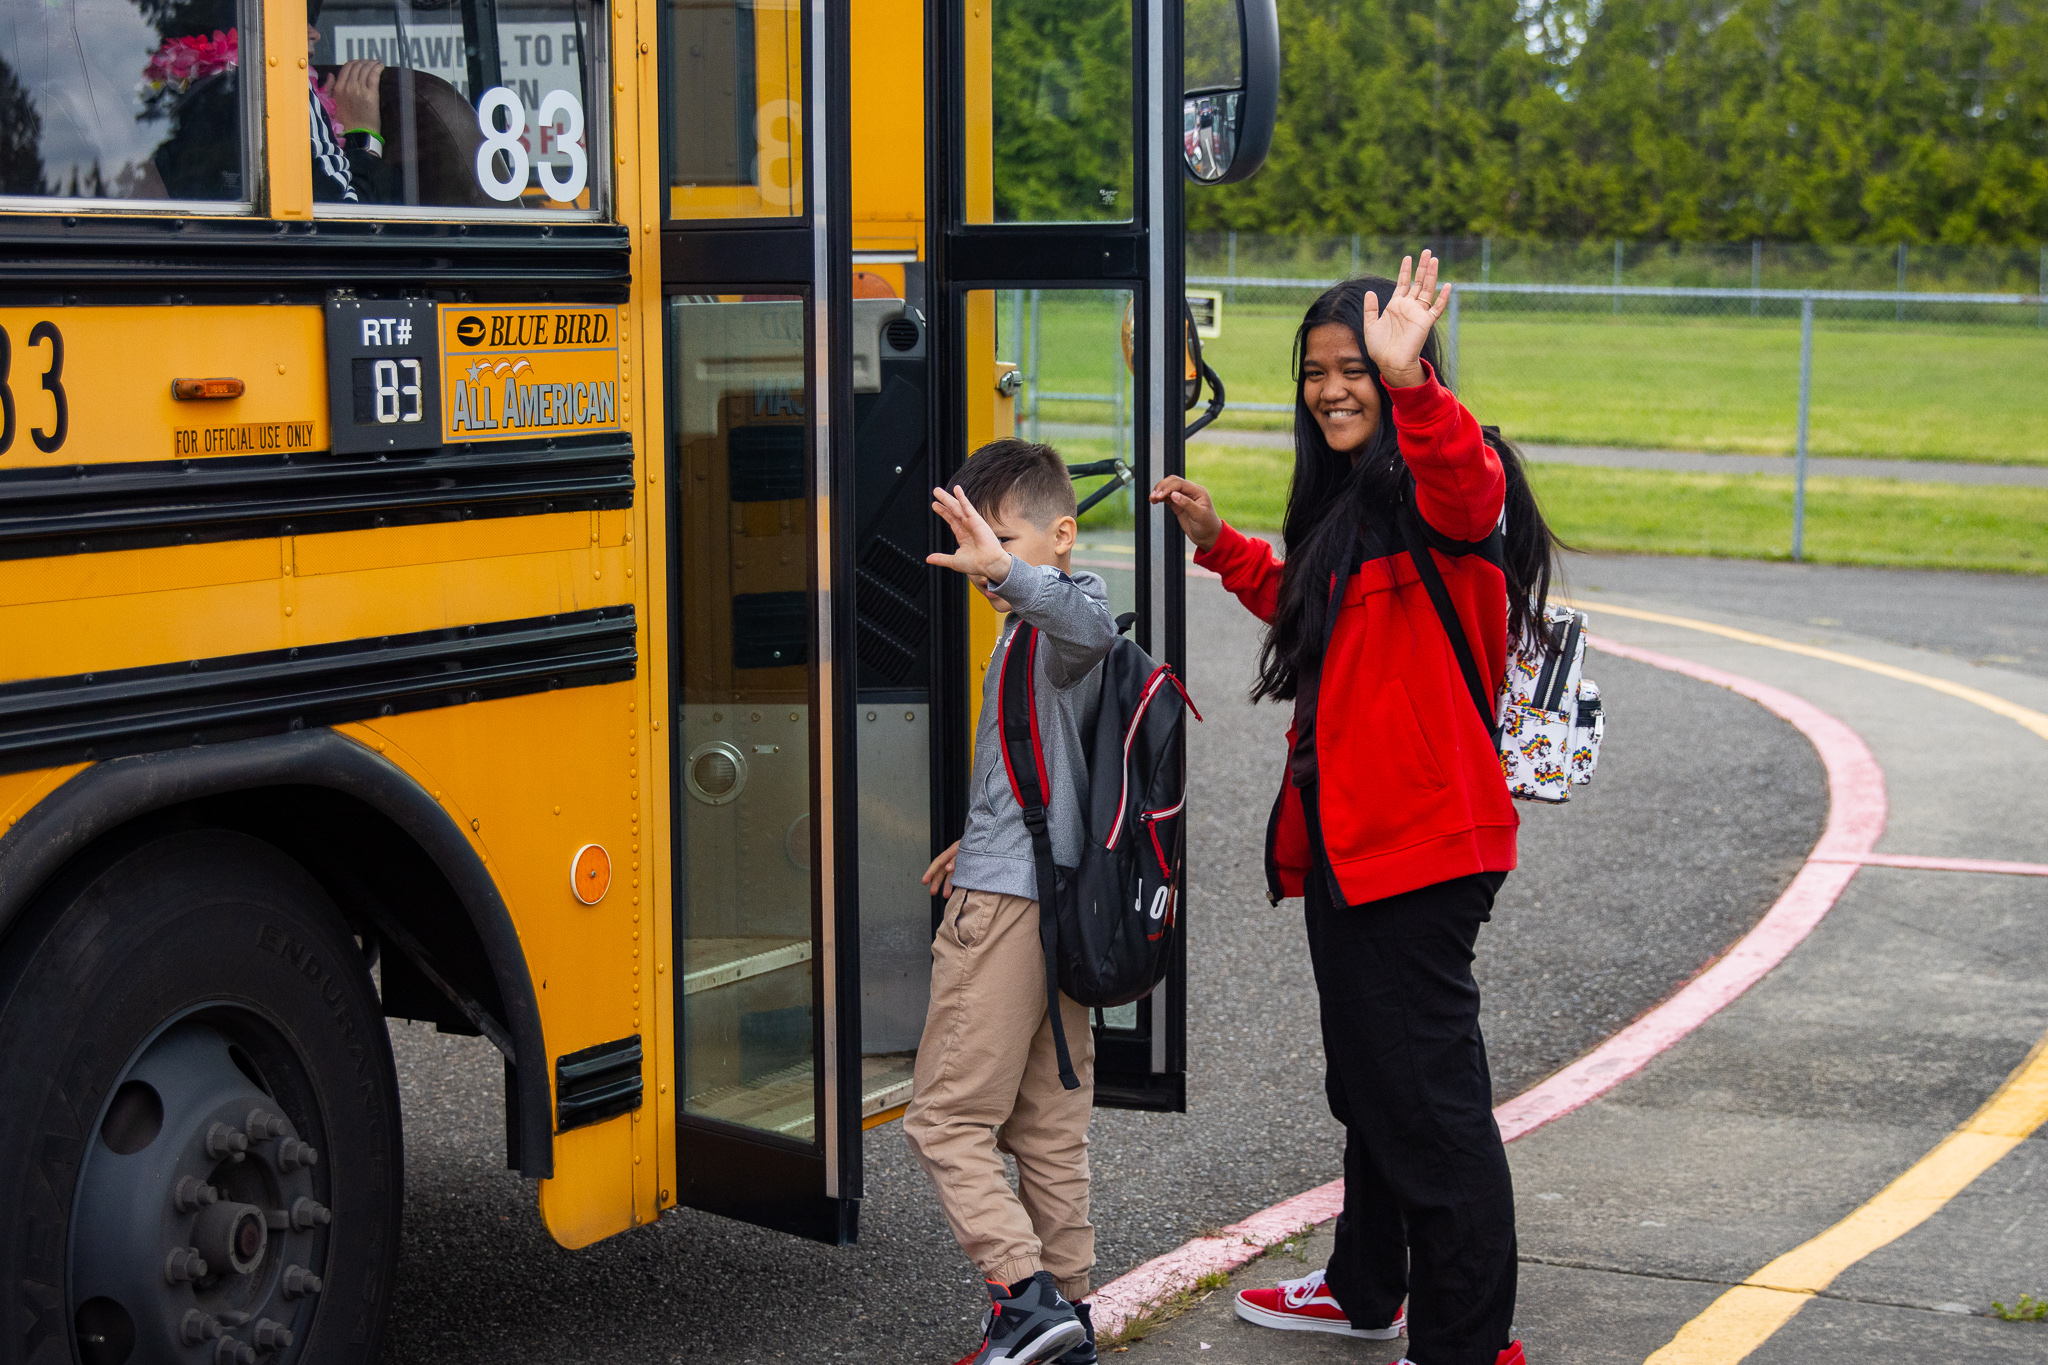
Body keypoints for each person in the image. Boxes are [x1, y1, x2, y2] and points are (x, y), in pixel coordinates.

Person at [1150, 251, 1561, 1365]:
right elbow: (1310, 610)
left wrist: (1413, 382)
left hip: (1418, 849)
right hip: (1349, 845)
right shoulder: (1350, 506)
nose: (1333, 388)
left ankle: (1469, 1345)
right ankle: (1363, 1285)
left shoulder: (1442, 491)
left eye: (1355, 372)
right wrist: (1218, 546)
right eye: (1317, 371)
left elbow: (1466, 483)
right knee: (1374, 1084)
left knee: (1430, 1113)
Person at [906, 440, 1118, 1365]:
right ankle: (1071, 1318)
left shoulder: (1065, 616)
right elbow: (1044, 769)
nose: (984, 560)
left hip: (1008, 913)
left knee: (945, 1118)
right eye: (974, 543)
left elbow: (1090, 631)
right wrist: (981, 828)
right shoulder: (1029, 629)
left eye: (1002, 539)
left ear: (1061, 536)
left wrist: (1011, 575)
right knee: (1046, 1127)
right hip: (1051, 897)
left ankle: (1024, 1300)